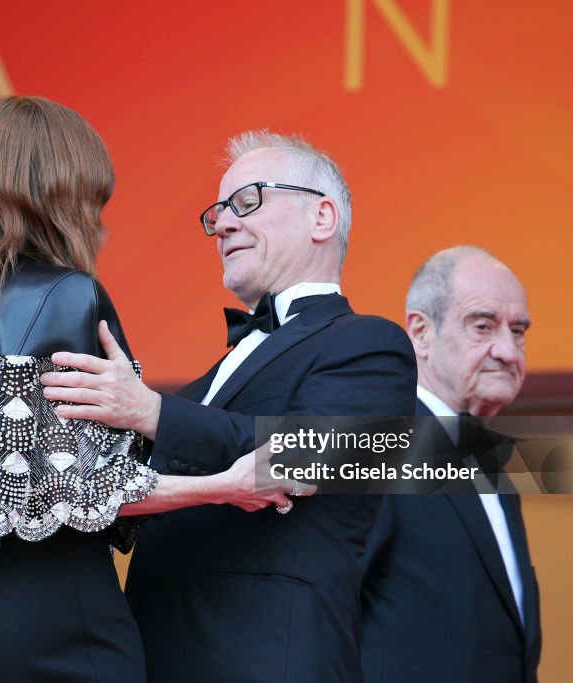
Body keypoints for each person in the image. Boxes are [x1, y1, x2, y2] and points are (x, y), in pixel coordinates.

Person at [0, 97, 302, 683]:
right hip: (51, 616)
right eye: (92, 198)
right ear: (57, 196)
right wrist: (223, 486)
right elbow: (80, 491)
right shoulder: (68, 295)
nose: (99, 220)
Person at [41, 131, 417, 682]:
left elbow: (310, 455)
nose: (222, 225)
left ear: (322, 218)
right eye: (217, 213)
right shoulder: (200, 390)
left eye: (248, 203)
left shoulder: (371, 344)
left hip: (269, 661)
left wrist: (151, 413)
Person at [359, 246, 541, 683]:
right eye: (483, 327)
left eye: (518, 332)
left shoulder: (488, 465)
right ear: (420, 333)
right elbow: (320, 617)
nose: (508, 352)